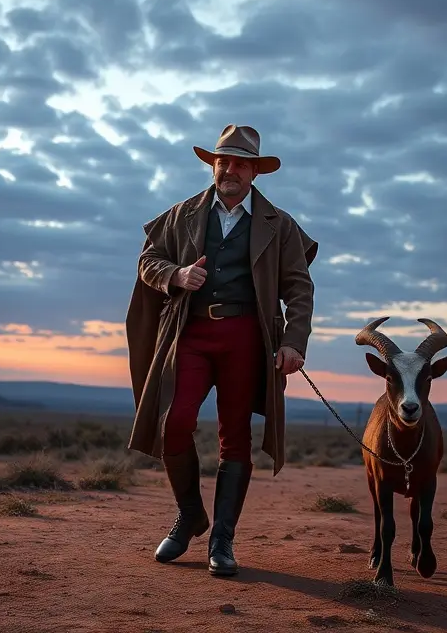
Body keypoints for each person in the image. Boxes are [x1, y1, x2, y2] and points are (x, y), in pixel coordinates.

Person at [125, 123, 318, 577]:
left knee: (236, 436)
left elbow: (299, 288)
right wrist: (175, 275)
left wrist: (293, 342)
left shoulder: (279, 224)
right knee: (174, 421)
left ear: (254, 171)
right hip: (190, 333)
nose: (228, 169)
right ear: (212, 165)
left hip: (247, 339)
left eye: (238, 163)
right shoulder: (182, 214)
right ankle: (190, 515)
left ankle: (222, 540)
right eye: (221, 161)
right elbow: (147, 261)